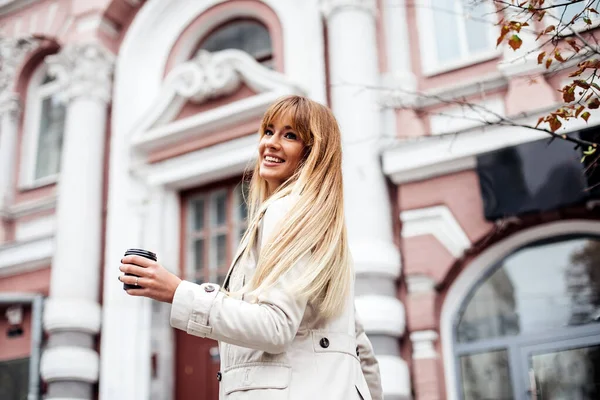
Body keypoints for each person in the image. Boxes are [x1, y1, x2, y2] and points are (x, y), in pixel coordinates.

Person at [118, 95, 383, 400]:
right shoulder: (326, 231)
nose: (270, 143)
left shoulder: (286, 211)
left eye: (290, 135)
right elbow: (360, 349)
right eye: (268, 131)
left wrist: (177, 291)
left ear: (313, 154)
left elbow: (276, 325)